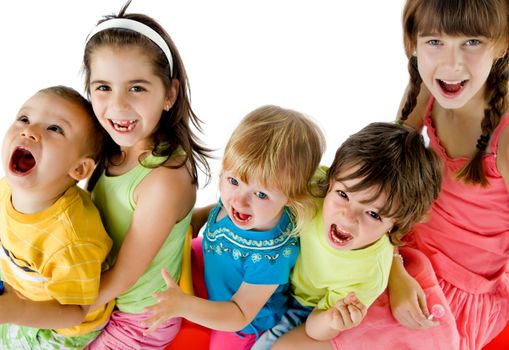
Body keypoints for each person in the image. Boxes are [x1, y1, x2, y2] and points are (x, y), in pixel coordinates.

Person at [329, 1, 509, 349]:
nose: (451, 64)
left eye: (472, 42)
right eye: (434, 42)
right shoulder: (430, 91)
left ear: (502, 45)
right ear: (412, 43)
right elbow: (389, 179)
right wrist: (394, 269)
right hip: (395, 248)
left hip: (457, 290)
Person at [142, 105, 325, 349]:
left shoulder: (270, 257)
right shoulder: (245, 205)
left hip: (242, 325)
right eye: (233, 181)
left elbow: (239, 314)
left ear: (291, 199)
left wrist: (184, 305)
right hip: (214, 277)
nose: (239, 200)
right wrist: (194, 219)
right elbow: (219, 207)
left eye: (260, 193)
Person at [82, 1, 211, 348]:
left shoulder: (163, 178)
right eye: (103, 87)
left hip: (140, 319)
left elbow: (123, 276)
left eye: (136, 87)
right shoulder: (109, 152)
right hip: (106, 299)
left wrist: (58, 308)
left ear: (169, 93)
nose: (118, 105)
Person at [248, 122, 441, 349]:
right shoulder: (314, 188)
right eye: (342, 194)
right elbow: (259, 197)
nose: (348, 217)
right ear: (330, 181)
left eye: (372, 214)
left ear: (395, 225)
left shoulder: (369, 273)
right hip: (272, 271)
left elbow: (313, 329)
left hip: (304, 305)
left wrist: (333, 319)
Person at [0, 85, 113, 349]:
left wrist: (16, 311)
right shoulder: (7, 186)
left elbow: (76, 311)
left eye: (54, 129)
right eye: (24, 119)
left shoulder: (72, 238)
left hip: (60, 326)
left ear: (80, 168)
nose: (29, 131)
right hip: (21, 290)